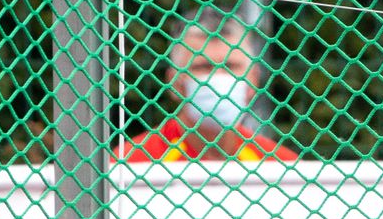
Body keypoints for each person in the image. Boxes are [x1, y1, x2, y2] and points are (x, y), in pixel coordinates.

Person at [118, 9, 299, 164]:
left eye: (230, 66)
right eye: (203, 67)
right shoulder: (128, 164)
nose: (217, 77)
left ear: (253, 80)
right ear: (175, 83)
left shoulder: (280, 166)